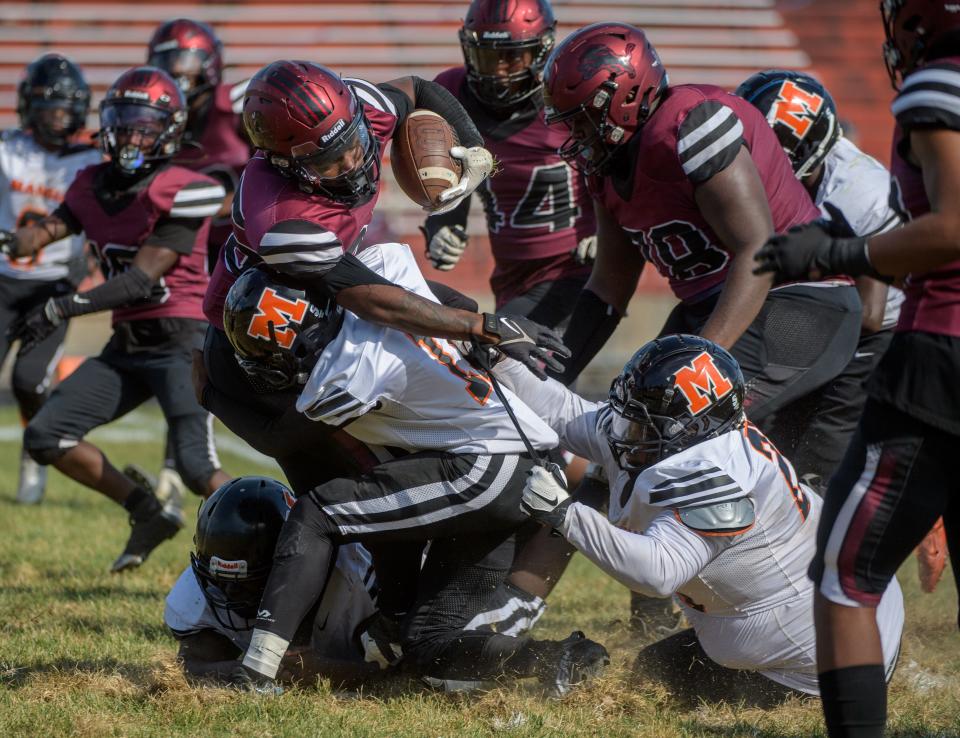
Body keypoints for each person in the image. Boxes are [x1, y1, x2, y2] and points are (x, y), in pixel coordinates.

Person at [224, 242, 608, 696]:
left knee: (317, 514)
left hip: (487, 469)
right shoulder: (382, 270)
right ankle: (556, 658)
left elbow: (279, 438)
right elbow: (455, 304)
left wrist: (211, 395)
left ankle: (256, 670)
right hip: (520, 470)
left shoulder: (343, 377)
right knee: (426, 642)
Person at [199, 60, 567, 473]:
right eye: (328, 162)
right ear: (287, 165)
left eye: (354, 142)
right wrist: (478, 324)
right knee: (332, 463)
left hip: (332, 301)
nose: (353, 163)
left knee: (462, 323)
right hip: (270, 337)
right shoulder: (280, 219)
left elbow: (418, 88)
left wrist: (472, 146)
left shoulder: (360, 113)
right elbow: (371, 300)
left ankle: (551, 435)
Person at [753, 1, 960, 733]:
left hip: (922, 354)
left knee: (843, 567)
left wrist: (834, 253)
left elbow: (937, 242)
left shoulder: (934, 91)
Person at [499, 334, 903, 703]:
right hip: (841, 606)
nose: (623, 432)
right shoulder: (683, 439)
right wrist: (496, 358)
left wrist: (566, 515)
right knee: (657, 668)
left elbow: (658, 573)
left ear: (691, 428)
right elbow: (563, 411)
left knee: (658, 678)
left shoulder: (717, 474)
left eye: (641, 423)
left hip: (824, 647)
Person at [0, 66, 231, 572]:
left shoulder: (182, 187)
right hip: (128, 346)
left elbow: (139, 282)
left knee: (196, 466)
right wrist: (17, 241)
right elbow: (52, 227)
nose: (131, 135)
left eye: (144, 125)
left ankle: (277, 538)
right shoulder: (89, 182)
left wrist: (62, 306)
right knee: (46, 436)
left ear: (168, 131)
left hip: (181, 342)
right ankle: (147, 511)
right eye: (123, 123)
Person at [735, 69, 902, 487]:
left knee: (815, 461)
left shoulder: (857, 192)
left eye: (759, 145)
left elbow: (870, 314)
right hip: (811, 305)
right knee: (768, 440)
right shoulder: (797, 176)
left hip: (873, 326)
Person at [423, 0, 597, 328]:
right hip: (510, 272)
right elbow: (455, 171)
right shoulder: (453, 92)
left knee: (500, 355)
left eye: (512, 56)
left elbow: (612, 160)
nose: (499, 71)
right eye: (487, 57)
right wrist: (443, 223)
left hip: (572, 267)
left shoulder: (567, 92)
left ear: (542, 51)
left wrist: (607, 226)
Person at [0, 54, 102, 504]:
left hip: (54, 286)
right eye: (48, 109)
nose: (56, 119)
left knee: (27, 379)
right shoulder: (8, 148)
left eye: (64, 110)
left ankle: (31, 450)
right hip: (3, 280)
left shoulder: (93, 159)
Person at [166, 476, 379, 686]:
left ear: (289, 565)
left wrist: (329, 671)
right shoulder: (204, 586)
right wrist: (232, 671)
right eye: (221, 580)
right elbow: (191, 663)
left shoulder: (356, 572)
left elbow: (399, 667)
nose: (230, 592)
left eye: (246, 582)